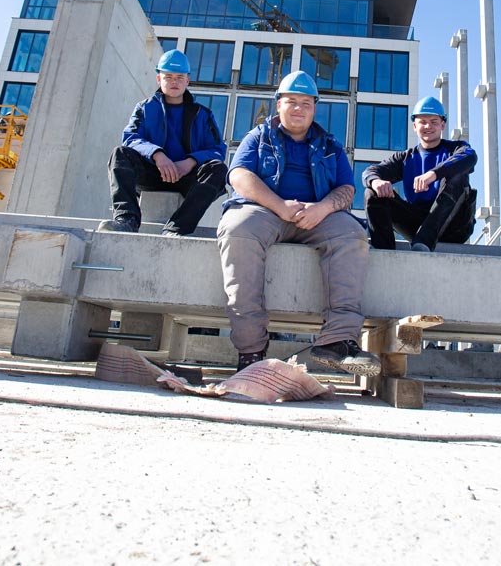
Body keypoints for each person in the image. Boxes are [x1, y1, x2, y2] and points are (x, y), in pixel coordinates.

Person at [216, 70, 380, 375]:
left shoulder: (330, 146)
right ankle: (251, 350)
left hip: (317, 214)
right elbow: (238, 175)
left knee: (352, 234)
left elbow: (347, 190)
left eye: (306, 102)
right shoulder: (259, 136)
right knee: (237, 229)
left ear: (314, 108)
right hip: (265, 210)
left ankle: (338, 341)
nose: (299, 108)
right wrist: (279, 205)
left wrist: (322, 208)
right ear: (278, 104)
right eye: (291, 101)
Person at [100, 49, 228, 236]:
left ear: (187, 80)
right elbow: (130, 137)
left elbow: (217, 149)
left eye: (179, 77)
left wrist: (190, 161)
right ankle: (126, 220)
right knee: (120, 154)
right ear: (159, 80)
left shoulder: (203, 114)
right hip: (152, 173)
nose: (174, 82)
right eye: (168, 77)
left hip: (187, 178)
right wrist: (157, 155)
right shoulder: (145, 108)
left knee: (218, 169)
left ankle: (177, 227)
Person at [362, 96, 477, 252]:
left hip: (453, 227)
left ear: (442, 125)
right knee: (373, 191)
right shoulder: (406, 158)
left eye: (434, 122)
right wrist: (376, 181)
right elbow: (371, 171)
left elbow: (470, 157)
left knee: (459, 176)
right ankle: (384, 250)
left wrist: (434, 174)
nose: (428, 126)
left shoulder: (456, 149)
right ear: (415, 126)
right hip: (417, 225)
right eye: (422, 122)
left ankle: (424, 242)